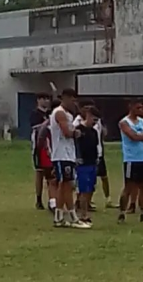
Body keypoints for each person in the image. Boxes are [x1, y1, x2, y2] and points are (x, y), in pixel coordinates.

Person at [49, 88, 89, 229]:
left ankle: (62, 217)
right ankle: (68, 217)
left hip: (68, 154)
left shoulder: (68, 114)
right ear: (65, 98)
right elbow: (66, 132)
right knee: (65, 185)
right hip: (62, 154)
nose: (73, 102)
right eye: (71, 99)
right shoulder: (59, 113)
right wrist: (76, 132)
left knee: (68, 185)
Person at [118, 99, 143, 224]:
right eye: (138, 108)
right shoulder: (124, 122)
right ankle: (122, 213)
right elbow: (132, 136)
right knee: (129, 187)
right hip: (131, 159)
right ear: (131, 107)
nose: (141, 110)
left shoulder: (142, 121)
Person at [75, 107, 101, 226]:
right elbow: (76, 145)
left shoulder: (94, 132)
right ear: (88, 116)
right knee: (83, 189)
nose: (94, 123)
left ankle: (86, 209)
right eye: (93, 119)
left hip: (92, 162)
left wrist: (97, 158)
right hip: (82, 163)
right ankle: (83, 214)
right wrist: (77, 157)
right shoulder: (79, 130)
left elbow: (96, 146)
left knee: (91, 188)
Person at [35, 99, 60, 213]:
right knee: (52, 179)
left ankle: (56, 202)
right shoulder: (48, 124)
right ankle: (53, 202)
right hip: (48, 154)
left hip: (59, 153)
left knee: (58, 179)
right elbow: (40, 139)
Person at [30, 92, 52, 210]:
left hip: (51, 147)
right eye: (43, 99)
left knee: (51, 175)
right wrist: (47, 122)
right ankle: (38, 199)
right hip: (39, 147)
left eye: (47, 98)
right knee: (40, 173)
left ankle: (51, 200)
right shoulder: (35, 114)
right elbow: (36, 127)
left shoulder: (50, 113)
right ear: (38, 100)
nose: (45, 101)